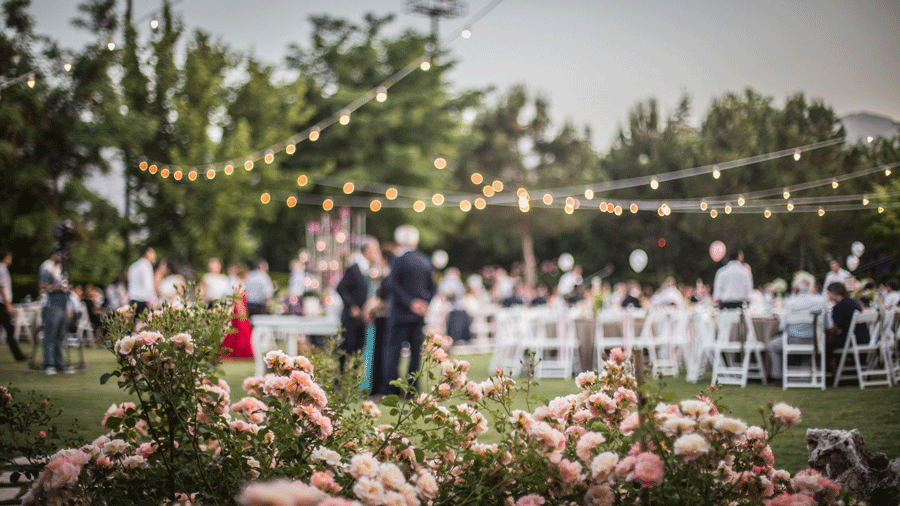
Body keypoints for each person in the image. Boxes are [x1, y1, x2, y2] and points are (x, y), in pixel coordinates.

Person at [382, 225, 435, 396]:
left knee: (393, 352)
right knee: (415, 355)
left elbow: (392, 284)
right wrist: (424, 303)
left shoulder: (398, 260)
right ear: (416, 240)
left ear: (399, 241)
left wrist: (410, 302)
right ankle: (413, 389)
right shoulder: (426, 260)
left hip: (400, 314)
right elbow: (433, 286)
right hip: (418, 316)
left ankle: (392, 389)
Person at [768, 272, 832, 382]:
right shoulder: (821, 301)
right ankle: (806, 375)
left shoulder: (790, 302)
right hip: (815, 342)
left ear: (796, 287)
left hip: (793, 340)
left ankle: (777, 377)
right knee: (810, 346)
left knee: (773, 345)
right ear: (811, 286)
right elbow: (828, 325)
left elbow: (782, 327)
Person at [336, 237, 381, 374]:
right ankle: (341, 377)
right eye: (375, 249)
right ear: (367, 250)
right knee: (347, 347)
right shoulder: (354, 268)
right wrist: (352, 306)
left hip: (362, 316)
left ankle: (354, 378)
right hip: (351, 316)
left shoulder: (369, 269)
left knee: (358, 349)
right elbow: (341, 288)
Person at [39, 251, 71, 374]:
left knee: (59, 335)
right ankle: (49, 364)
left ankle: (59, 363)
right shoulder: (47, 266)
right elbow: (42, 286)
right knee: (50, 334)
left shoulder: (61, 269)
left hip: (62, 304)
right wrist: (59, 287)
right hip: (51, 304)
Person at [826, 282, 869, 368]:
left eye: (828, 293)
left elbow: (835, 328)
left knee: (827, 344)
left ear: (833, 293)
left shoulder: (839, 307)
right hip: (864, 338)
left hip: (852, 340)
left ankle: (834, 372)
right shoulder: (853, 302)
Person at [0, 248, 26, 361]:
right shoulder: (1, 269)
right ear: (6, 258)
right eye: (10, 257)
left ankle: (18, 356)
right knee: (10, 330)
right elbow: (2, 288)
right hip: (1, 304)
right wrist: (8, 304)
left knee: (9, 330)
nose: (11, 260)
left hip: (2, 303)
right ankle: (18, 356)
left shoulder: (3, 269)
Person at [220, 277, 253, 359]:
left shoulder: (240, 285)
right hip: (239, 313)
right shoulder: (240, 286)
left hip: (239, 312)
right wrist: (243, 315)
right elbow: (238, 302)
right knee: (241, 331)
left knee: (239, 332)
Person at [128, 246, 157, 317]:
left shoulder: (133, 266)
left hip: (132, 300)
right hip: (142, 302)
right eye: (153, 253)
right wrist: (154, 300)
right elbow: (148, 285)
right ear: (147, 253)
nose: (155, 256)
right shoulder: (146, 265)